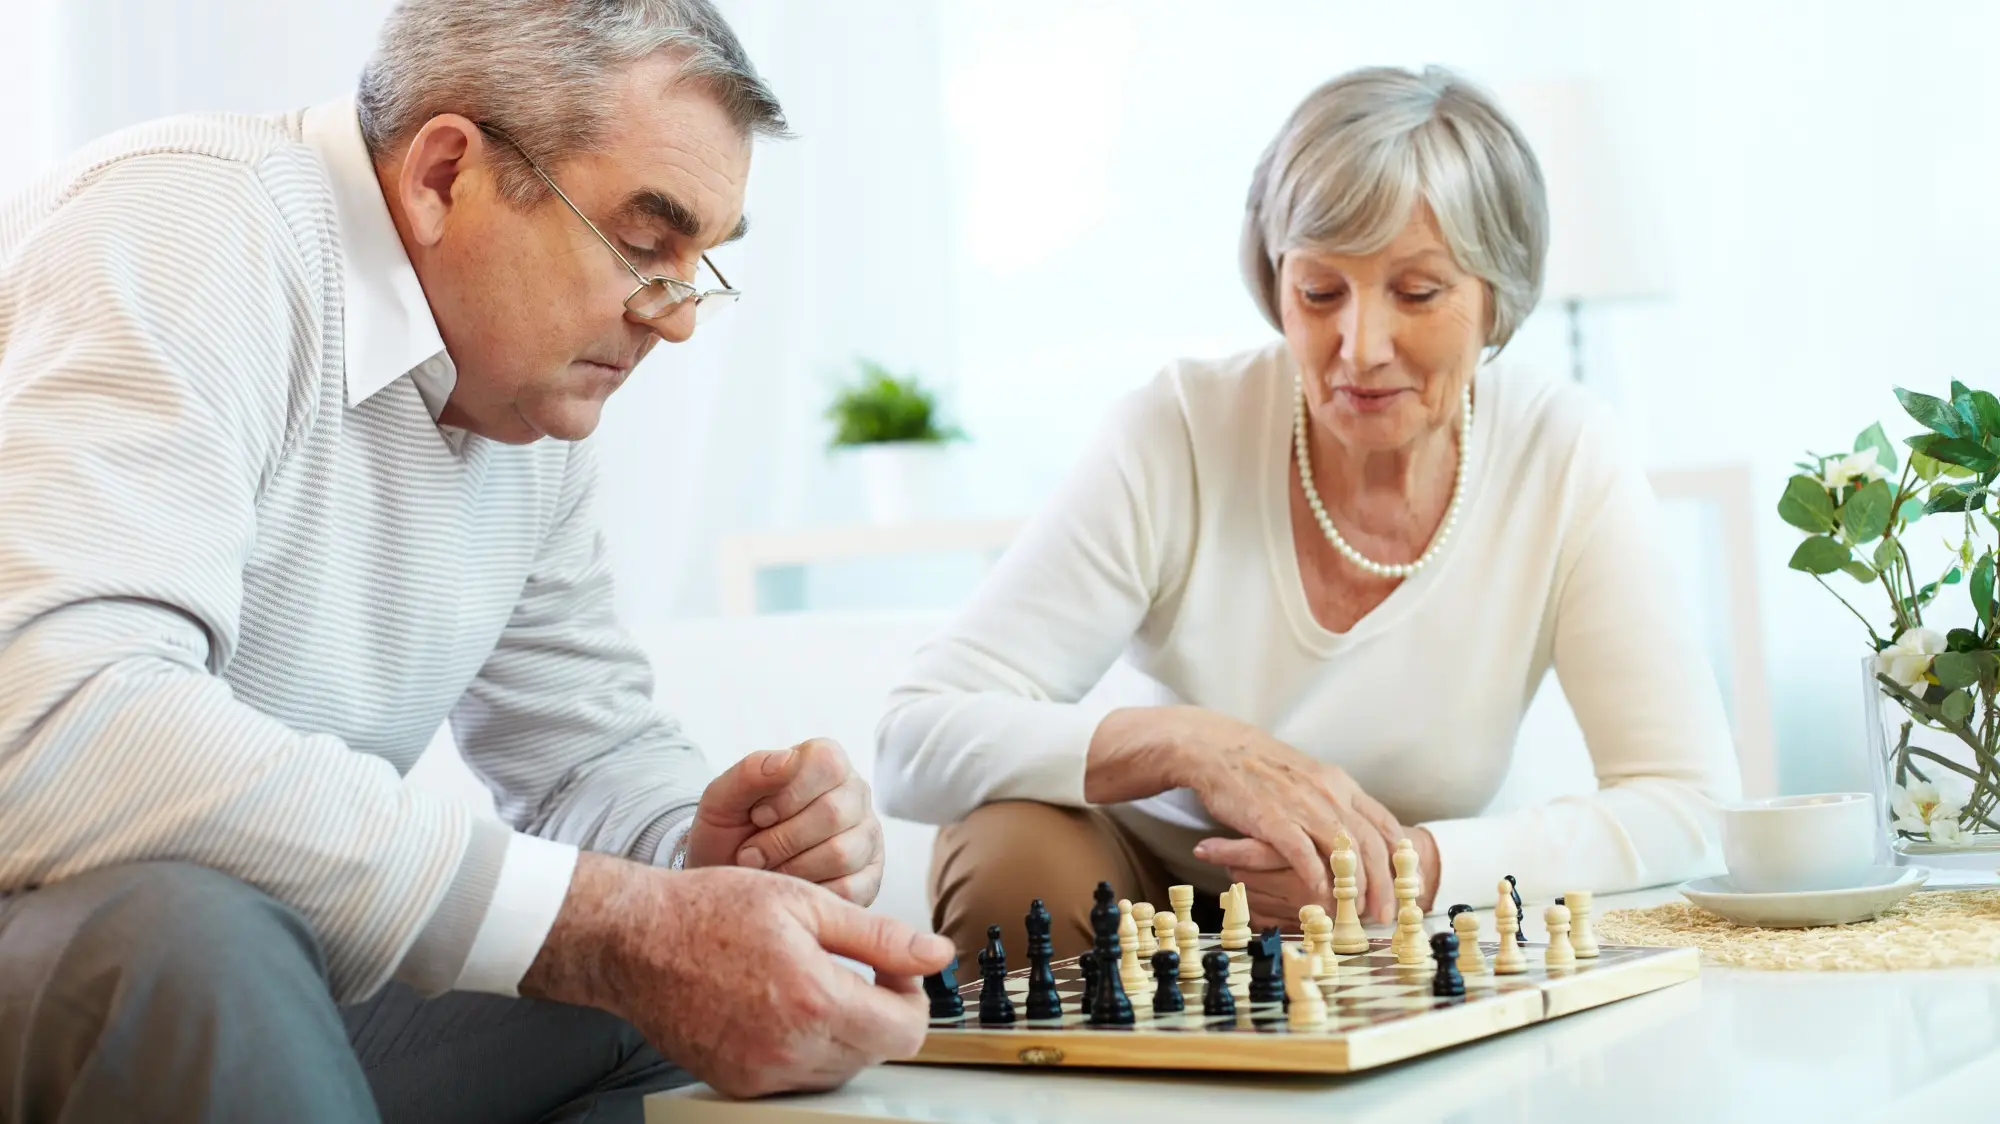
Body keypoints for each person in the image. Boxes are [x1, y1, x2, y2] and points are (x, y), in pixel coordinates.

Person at [0, 1, 952, 1119]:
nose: (678, 319)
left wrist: (707, 856)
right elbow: (60, 728)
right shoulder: (189, 227)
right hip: (94, 931)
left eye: (701, 265)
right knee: (190, 931)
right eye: (646, 244)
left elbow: (581, 757)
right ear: (444, 172)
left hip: (265, 958)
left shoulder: (515, 404)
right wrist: (615, 924)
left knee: (694, 1001)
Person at [877, 65, 1742, 961]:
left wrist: (1407, 866)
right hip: (1137, 887)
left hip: (1382, 918)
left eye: (1417, 292)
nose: (1360, 349)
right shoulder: (1179, 428)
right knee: (1017, 855)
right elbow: (913, 736)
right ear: (1274, 283)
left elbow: (1689, 803)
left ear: (1498, 295)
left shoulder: (1563, 453)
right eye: (1320, 293)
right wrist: (1190, 743)